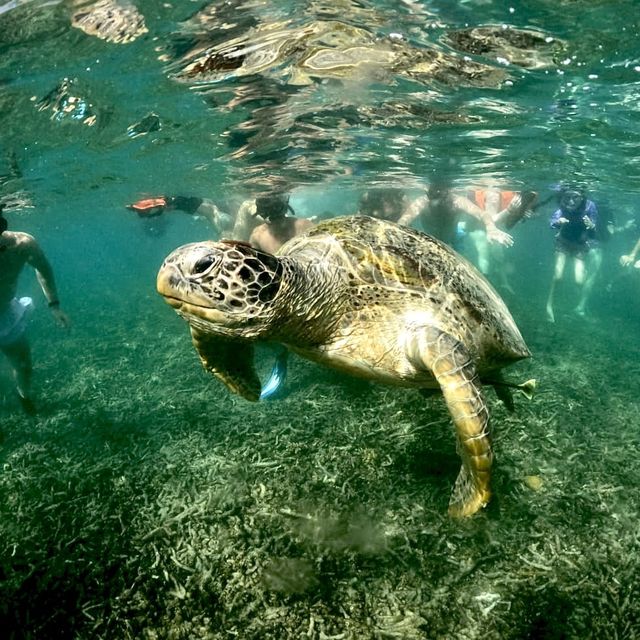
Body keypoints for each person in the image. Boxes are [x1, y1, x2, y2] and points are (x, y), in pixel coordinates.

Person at [0, 206, 69, 413]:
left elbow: (43, 268)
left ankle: (24, 396)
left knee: (23, 365)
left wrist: (54, 305)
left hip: (5, 314)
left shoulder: (21, 244)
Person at [397, 182, 514, 249]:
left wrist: (491, 228)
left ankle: (461, 230)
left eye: (440, 194)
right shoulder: (421, 202)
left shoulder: (457, 201)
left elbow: (482, 214)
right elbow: (403, 222)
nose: (436, 200)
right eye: (432, 194)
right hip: (430, 241)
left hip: (454, 239)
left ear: (448, 191)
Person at [465, 189, 539, 292]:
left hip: (495, 225)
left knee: (499, 256)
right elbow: (491, 220)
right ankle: (481, 288)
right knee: (484, 253)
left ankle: (503, 283)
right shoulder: (494, 194)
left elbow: (511, 222)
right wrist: (509, 210)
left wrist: (525, 214)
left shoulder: (527, 196)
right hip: (478, 224)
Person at [545, 186, 598, 322]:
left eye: (575, 198)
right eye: (568, 197)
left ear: (582, 197)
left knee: (579, 281)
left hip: (580, 246)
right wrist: (558, 222)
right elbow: (552, 222)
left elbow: (594, 229)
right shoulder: (563, 206)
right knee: (558, 276)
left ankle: (580, 305)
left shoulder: (589, 206)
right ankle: (549, 305)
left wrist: (591, 225)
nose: (571, 201)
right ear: (563, 197)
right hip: (563, 242)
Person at [248, 192, 313, 253]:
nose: (273, 207)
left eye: (277, 199)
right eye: (265, 201)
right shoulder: (304, 225)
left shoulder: (257, 235)